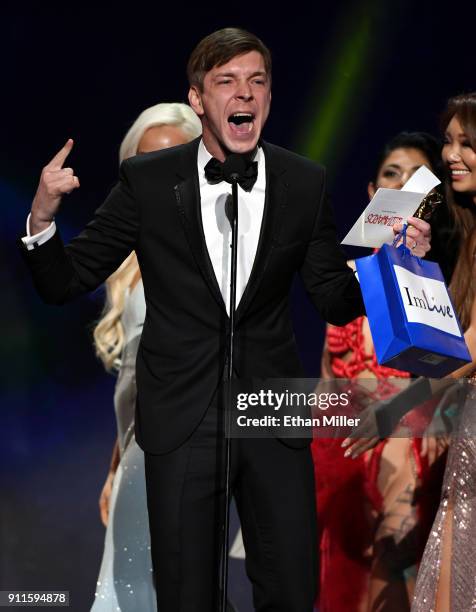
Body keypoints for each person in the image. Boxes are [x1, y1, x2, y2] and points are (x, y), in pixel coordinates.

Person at [18, 28, 431, 612]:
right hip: (181, 417)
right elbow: (65, 281)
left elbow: (333, 297)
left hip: (269, 413)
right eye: (228, 82)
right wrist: (41, 217)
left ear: (268, 97)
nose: (245, 93)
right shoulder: (150, 181)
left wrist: (394, 263)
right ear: (198, 99)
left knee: (291, 590)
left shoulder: (303, 181)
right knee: (188, 597)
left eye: (257, 81)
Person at [313, 132, 450, 612]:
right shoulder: (344, 278)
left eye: (417, 176)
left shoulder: (442, 273)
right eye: (393, 174)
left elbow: (452, 370)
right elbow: (328, 377)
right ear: (373, 192)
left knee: (396, 572)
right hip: (346, 448)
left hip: (410, 440)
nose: (403, 184)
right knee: (344, 581)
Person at [90, 103, 202, 611]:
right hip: (138, 460)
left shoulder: (216, 254)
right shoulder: (129, 260)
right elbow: (132, 390)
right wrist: (115, 470)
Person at [411, 92, 476, 612]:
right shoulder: (471, 238)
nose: (451, 155)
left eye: (467, 143)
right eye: (448, 141)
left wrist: (393, 407)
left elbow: (469, 352)